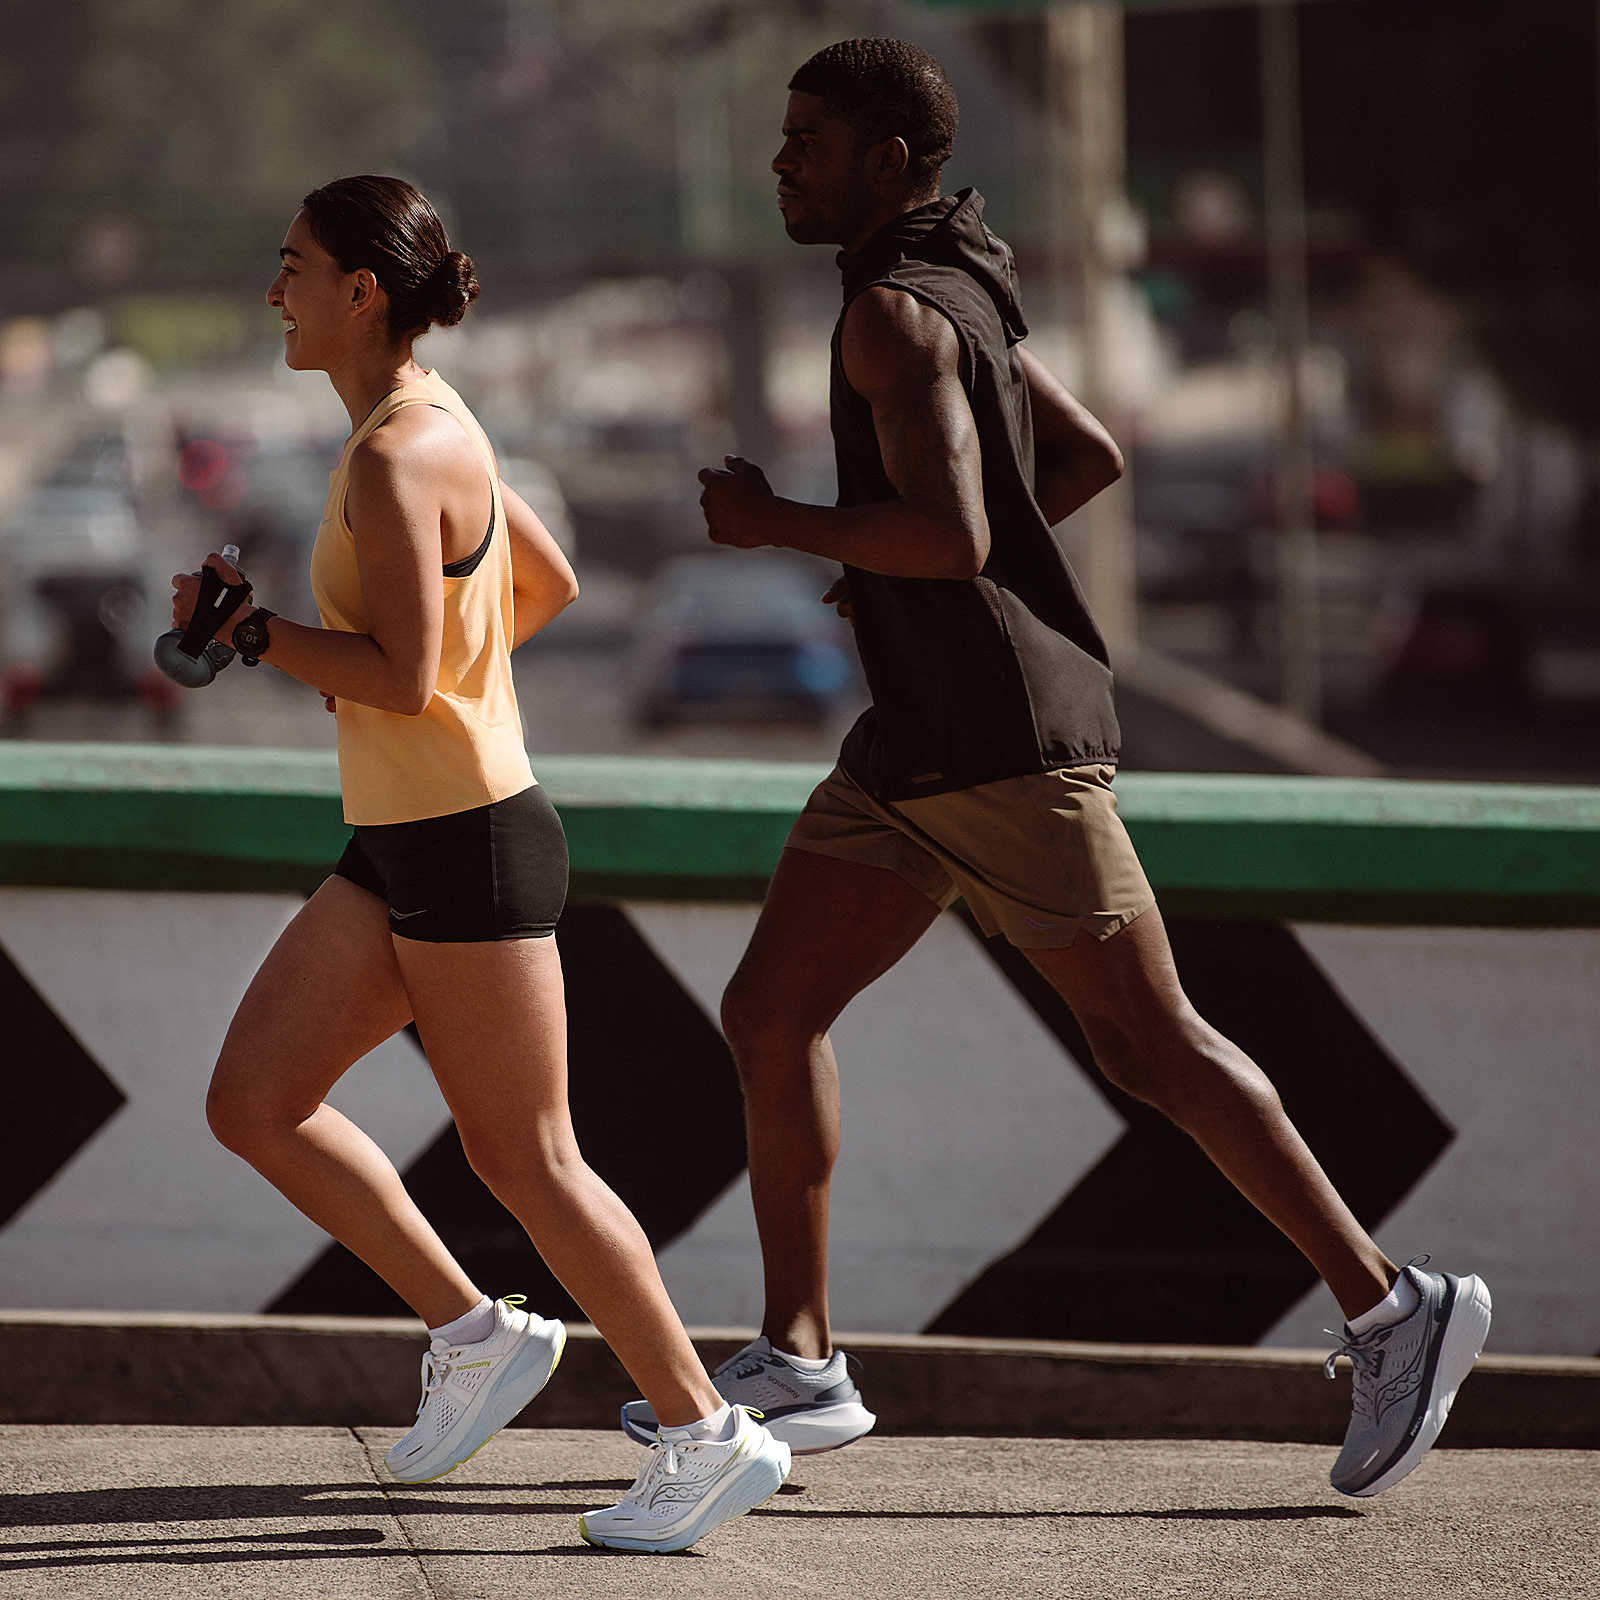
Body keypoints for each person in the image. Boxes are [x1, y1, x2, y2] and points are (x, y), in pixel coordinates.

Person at [618, 40, 1492, 1500]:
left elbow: (956, 533)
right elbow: (1076, 460)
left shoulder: (895, 317)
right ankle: (804, 1357)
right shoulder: (955, 287)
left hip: (1003, 751)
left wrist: (784, 526)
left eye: (812, 140)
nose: (785, 162)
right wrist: (887, 574)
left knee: (1151, 1045)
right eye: (786, 138)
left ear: (890, 159)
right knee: (771, 1009)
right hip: (916, 747)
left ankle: (1396, 1308)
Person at [171, 174, 787, 1552]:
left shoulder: (396, 454)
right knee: (255, 1101)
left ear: (360, 291)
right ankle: (476, 1332)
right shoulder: (435, 419)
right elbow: (545, 582)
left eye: (292, 266)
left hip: (469, 847)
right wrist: (426, 678)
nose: (273, 290)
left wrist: (258, 637)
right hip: (408, 841)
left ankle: (705, 1431)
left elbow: (395, 677)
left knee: (534, 1161)